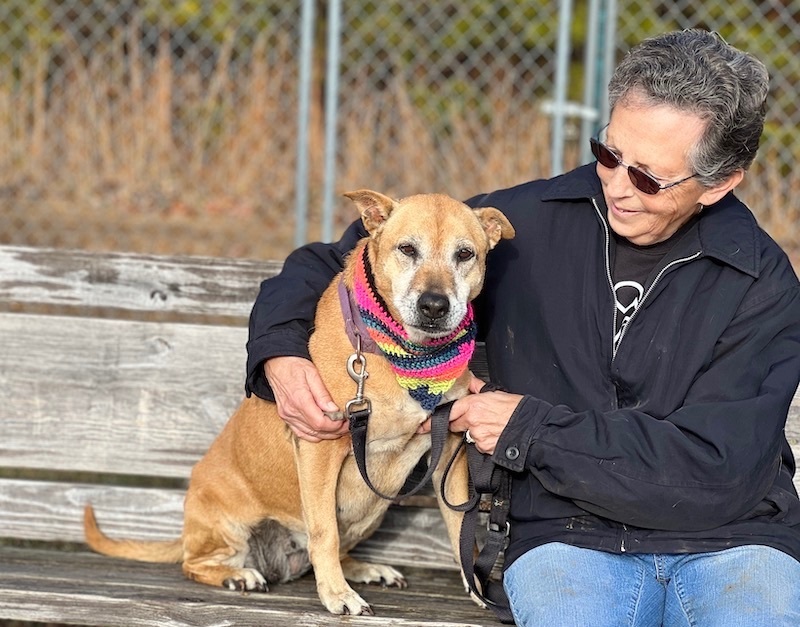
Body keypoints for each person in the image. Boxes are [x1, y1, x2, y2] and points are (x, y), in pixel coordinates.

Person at [245, 29, 800, 626]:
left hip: (733, 538)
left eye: (647, 178)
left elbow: (717, 465)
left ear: (718, 183)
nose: (615, 185)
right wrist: (279, 353)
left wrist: (529, 429)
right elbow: (335, 262)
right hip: (567, 535)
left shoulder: (760, 283)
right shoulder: (529, 221)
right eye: (609, 154)